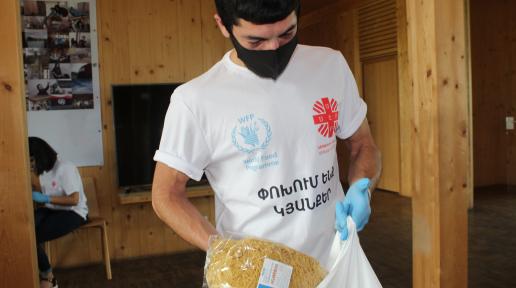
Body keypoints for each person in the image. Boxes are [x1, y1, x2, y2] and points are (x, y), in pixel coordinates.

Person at [152, 0, 381, 270]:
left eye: (286, 34)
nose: (273, 48)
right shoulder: (194, 100)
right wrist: (226, 253)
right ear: (223, 26)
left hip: (335, 261)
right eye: (255, 41)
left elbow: (363, 145)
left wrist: (362, 189)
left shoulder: (330, 66)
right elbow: (166, 195)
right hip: (254, 274)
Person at [29, 137, 88, 288]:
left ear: (40, 156)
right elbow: (48, 198)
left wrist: (45, 197)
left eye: (31, 160)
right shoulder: (43, 171)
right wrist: (35, 194)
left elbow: (74, 199)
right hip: (53, 210)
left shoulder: (64, 167)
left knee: (32, 236)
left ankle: (48, 276)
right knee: (25, 230)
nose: (30, 165)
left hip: (74, 213)